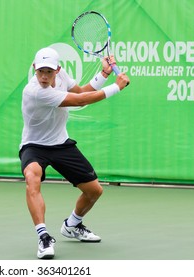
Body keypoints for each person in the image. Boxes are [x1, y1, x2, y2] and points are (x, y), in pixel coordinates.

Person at [19, 47, 130, 259]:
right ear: (34, 68)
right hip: (34, 146)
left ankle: (72, 224)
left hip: (60, 143)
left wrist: (104, 74)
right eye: (40, 70)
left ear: (57, 70)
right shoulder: (34, 91)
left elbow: (80, 91)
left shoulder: (61, 75)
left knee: (95, 191)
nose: (44, 76)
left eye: (49, 71)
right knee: (31, 176)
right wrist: (116, 87)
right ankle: (43, 237)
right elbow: (80, 101)